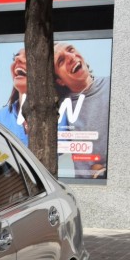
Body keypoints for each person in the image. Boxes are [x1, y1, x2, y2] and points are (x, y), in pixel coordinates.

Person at [54, 42, 110, 179]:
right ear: (60, 81)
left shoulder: (112, 86)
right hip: (87, 186)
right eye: (61, 60)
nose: (71, 57)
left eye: (71, 50)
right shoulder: (60, 107)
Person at [0, 48, 28, 145]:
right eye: (15, 57)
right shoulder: (2, 116)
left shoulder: (62, 115)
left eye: (28, 57)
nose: (17, 59)